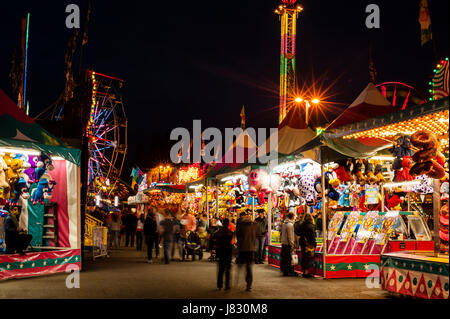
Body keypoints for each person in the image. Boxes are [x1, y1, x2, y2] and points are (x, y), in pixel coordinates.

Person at [236, 213, 256, 291]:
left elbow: (238, 236)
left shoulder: (240, 226)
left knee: (240, 266)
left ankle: (239, 282)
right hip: (251, 249)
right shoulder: (254, 226)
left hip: (243, 249)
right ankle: (249, 284)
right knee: (249, 267)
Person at [214, 218, 233, 290]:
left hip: (221, 251)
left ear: (222, 223)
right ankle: (227, 285)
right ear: (228, 224)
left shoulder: (218, 232)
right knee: (228, 269)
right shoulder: (230, 232)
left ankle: (219, 285)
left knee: (221, 270)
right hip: (228, 251)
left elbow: (214, 236)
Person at [298, 213, 317, 278]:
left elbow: (299, 233)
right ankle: (306, 272)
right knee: (307, 258)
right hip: (309, 243)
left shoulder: (302, 225)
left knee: (304, 257)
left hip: (303, 243)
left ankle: (304, 271)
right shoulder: (311, 226)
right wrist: (314, 243)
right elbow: (312, 236)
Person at [280, 212, 298, 276]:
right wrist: (292, 244)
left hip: (284, 242)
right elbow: (290, 236)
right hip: (287, 244)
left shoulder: (284, 223)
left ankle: (285, 271)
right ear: (292, 217)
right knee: (288, 258)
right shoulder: (290, 225)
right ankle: (287, 272)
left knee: (285, 258)